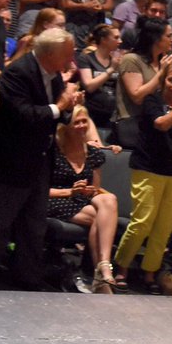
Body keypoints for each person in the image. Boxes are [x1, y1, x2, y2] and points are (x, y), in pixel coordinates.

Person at [0, 27, 82, 290]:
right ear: (51, 54)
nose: (71, 61)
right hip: (9, 164)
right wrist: (61, 106)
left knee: (34, 226)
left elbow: (57, 113)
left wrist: (68, 106)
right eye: (67, 55)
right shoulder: (17, 73)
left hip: (39, 162)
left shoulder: (54, 74)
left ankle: (28, 278)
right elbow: (24, 115)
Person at [111, 61, 172, 296]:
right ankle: (122, 267)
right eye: (171, 80)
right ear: (164, 80)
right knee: (142, 222)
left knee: (164, 227)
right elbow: (161, 124)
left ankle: (150, 272)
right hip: (149, 166)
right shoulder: (152, 100)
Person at [49, 106, 120, 292]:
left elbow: (94, 189)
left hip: (81, 200)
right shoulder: (54, 152)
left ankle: (103, 266)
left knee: (109, 199)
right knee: (101, 218)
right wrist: (70, 192)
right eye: (76, 122)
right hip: (57, 199)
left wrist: (88, 191)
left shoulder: (94, 153)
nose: (81, 126)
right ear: (66, 127)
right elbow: (40, 191)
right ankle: (101, 274)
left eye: (84, 121)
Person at [113, 17, 172, 149]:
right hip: (133, 125)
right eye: (169, 36)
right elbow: (137, 97)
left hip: (156, 123)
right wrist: (161, 73)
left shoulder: (163, 62)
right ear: (156, 38)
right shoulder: (131, 60)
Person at [77, 23, 121, 130]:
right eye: (116, 38)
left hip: (112, 113)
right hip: (92, 111)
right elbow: (89, 86)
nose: (120, 41)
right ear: (104, 39)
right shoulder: (86, 59)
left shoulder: (116, 60)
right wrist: (111, 69)